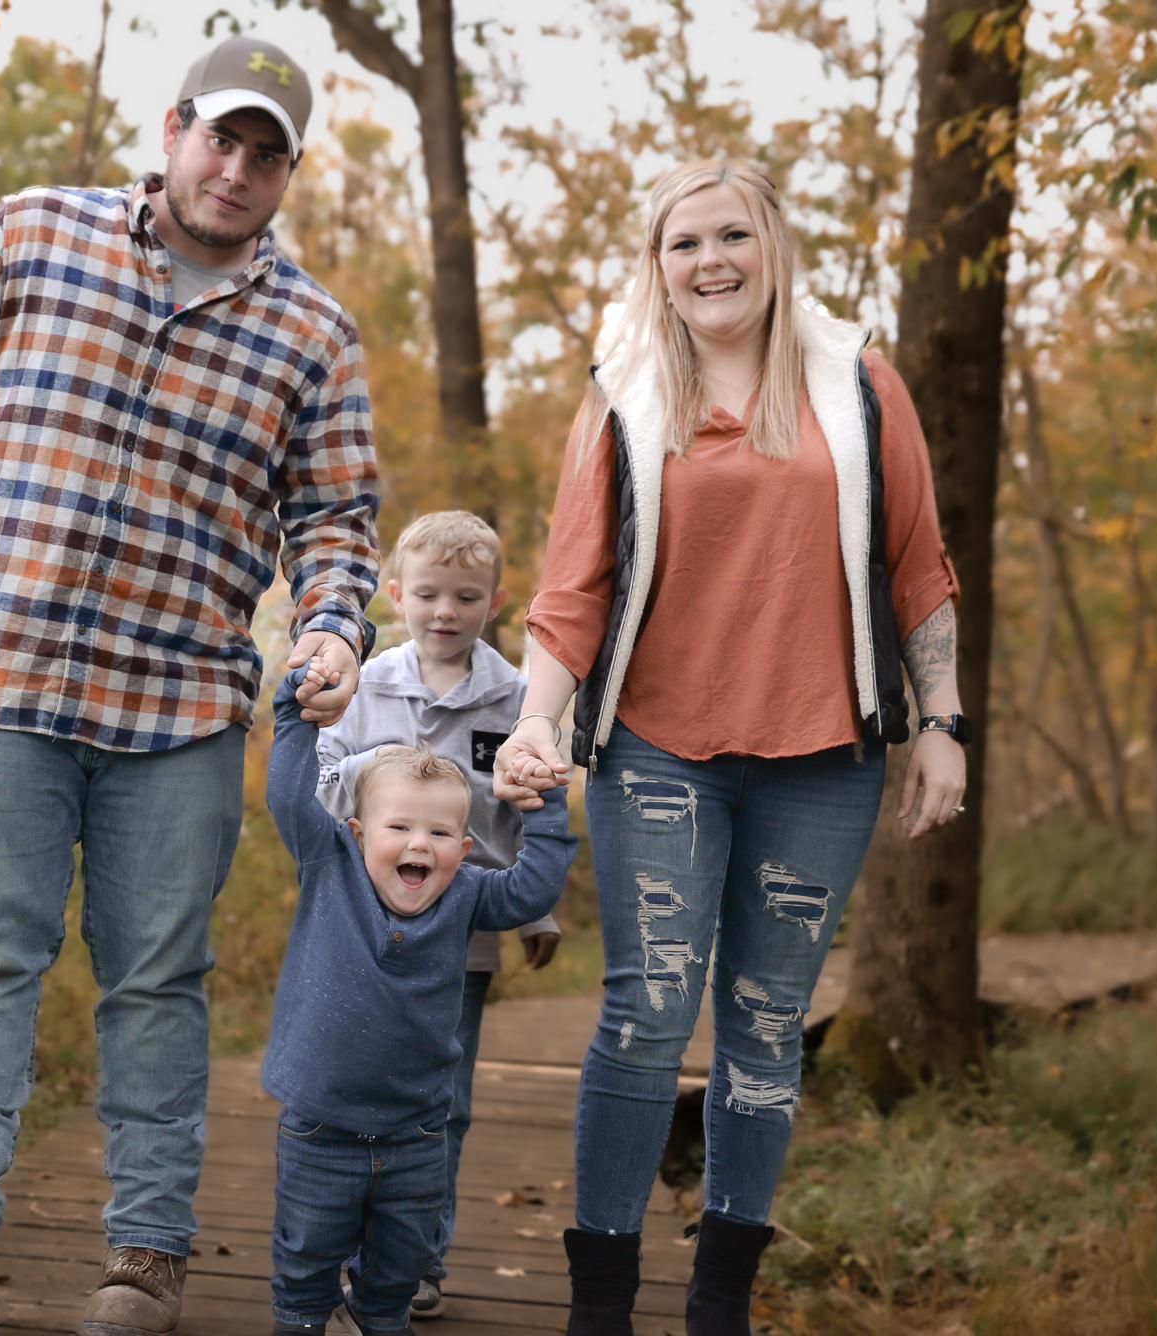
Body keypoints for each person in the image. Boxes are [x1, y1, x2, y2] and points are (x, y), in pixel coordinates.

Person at [0, 35, 380, 1336]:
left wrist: (334, 627)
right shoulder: (31, 234)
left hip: (176, 707)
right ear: (175, 129)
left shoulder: (313, 331)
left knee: (159, 982)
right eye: (221, 138)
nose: (235, 170)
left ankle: (146, 1262)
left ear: (288, 174)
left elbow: (337, 516)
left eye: (266, 155)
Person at [494, 158, 969, 1336]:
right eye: (683, 243)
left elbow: (917, 563)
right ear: (656, 266)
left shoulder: (857, 385)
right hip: (658, 747)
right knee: (647, 1016)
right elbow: (571, 585)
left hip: (823, 758)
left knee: (763, 1024)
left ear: (773, 244)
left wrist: (942, 722)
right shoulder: (622, 394)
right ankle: (600, 1311)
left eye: (731, 236)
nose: (710, 261)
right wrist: (536, 719)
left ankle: (719, 1308)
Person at [265, 659, 576, 1336]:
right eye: (399, 828)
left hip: (416, 1131)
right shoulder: (330, 866)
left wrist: (545, 802)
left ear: (463, 849)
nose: (419, 845)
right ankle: (303, 1321)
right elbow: (290, 797)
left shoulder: (466, 894)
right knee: (306, 1260)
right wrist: (293, 714)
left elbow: (531, 889)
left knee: (399, 1268)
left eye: (438, 835)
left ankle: (380, 1317)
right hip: (321, 1124)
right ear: (358, 834)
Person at [313, 510, 564, 1320]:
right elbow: (322, 785)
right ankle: (347, 1252)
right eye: (427, 594)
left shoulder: (515, 699)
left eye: (465, 596)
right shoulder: (368, 685)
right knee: (358, 1094)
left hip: (463, 939)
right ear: (397, 595)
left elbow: (525, 813)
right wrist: (382, 768)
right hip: (363, 936)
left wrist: (537, 914)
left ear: (495, 602)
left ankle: (417, 1260)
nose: (445, 611)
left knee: (440, 1104)